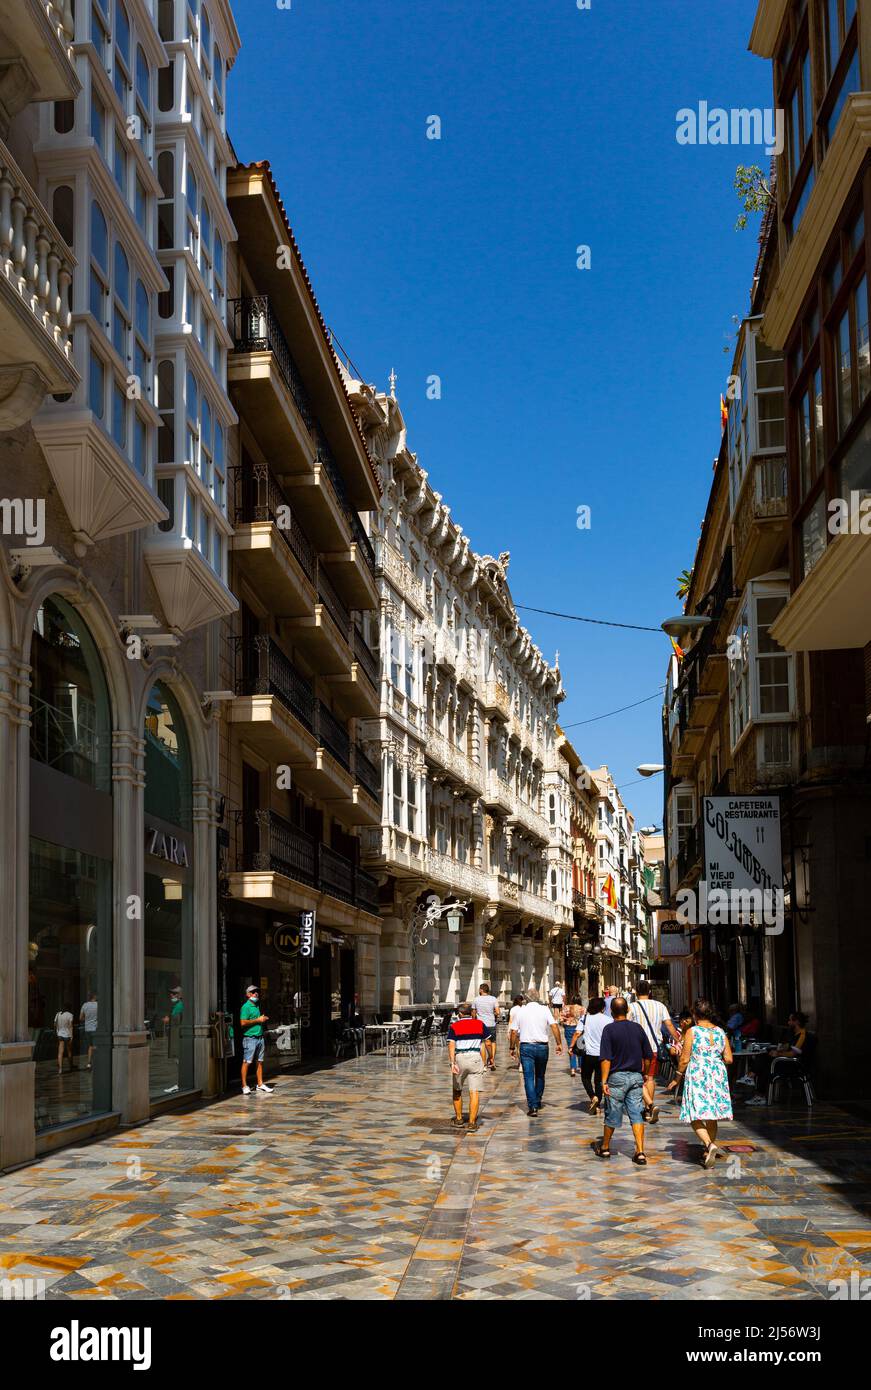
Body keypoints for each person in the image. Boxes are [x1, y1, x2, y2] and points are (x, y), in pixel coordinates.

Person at [590, 996, 653, 1165]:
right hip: (635, 1076)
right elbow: (648, 1056)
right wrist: (645, 1073)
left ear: (611, 1012)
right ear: (627, 1010)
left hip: (616, 1077)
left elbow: (606, 1059)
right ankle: (640, 1152)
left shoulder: (609, 1030)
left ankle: (605, 1147)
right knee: (637, 1113)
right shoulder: (638, 1028)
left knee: (612, 1112)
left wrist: (603, 1082)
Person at [675, 999, 733, 1165]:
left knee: (695, 1113)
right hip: (717, 1073)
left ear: (694, 1015)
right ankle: (708, 1151)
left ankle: (709, 1144)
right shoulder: (721, 1032)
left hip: (698, 1073)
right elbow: (729, 1058)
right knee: (711, 1115)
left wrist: (677, 1076)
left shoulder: (692, 1031)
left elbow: (684, 1058)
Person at [629, 981, 679, 1124]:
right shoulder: (660, 1006)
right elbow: (669, 1025)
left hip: (636, 1049)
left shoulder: (632, 1007)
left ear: (636, 992)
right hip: (654, 1048)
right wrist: (678, 1040)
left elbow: (626, 1024)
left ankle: (649, 1105)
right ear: (649, 991)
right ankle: (648, 1108)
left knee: (637, 1079)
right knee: (650, 1079)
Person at [509, 987, 562, 1117]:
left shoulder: (521, 1011)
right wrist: (559, 1043)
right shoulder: (544, 1010)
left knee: (528, 1077)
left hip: (526, 1046)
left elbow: (514, 1031)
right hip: (542, 1046)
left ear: (526, 998)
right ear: (538, 998)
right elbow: (554, 1026)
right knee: (540, 1075)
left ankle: (532, 1106)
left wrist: (511, 1048)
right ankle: (537, 1100)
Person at [745, 1011, 808, 1106]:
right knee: (764, 1057)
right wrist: (779, 1049)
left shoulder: (802, 1035)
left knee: (765, 1064)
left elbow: (793, 1053)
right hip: (784, 1061)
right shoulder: (794, 1033)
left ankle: (751, 1078)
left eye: (790, 1020)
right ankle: (756, 1088)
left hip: (793, 1065)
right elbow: (788, 1046)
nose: (788, 1023)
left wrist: (778, 1054)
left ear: (797, 1022)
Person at [447, 1002, 488, 1131]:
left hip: (460, 1058)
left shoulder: (454, 1026)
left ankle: (459, 1119)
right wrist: (490, 1057)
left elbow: (451, 1044)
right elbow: (486, 1041)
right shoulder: (480, 1024)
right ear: (471, 1013)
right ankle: (471, 1122)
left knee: (457, 1089)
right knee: (474, 1092)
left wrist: (452, 1062)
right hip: (475, 1057)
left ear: (460, 1014)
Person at [575, 996, 609, 1115]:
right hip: (603, 1055)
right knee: (599, 1081)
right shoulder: (608, 1020)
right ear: (602, 1008)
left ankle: (592, 1096)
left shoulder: (585, 1018)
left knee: (585, 1077)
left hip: (588, 1054)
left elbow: (577, 1033)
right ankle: (598, 1104)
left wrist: (571, 1047)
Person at [240, 984, 273, 1095]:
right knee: (247, 1062)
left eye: (257, 991)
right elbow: (243, 1022)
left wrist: (262, 1019)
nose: (256, 993)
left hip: (259, 1037)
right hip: (250, 1038)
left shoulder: (257, 1005)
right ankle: (244, 1085)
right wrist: (258, 1020)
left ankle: (260, 1084)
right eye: (253, 992)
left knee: (260, 1062)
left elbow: (257, 1020)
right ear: (248, 994)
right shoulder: (246, 1007)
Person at [664, 1009, 694, 1097]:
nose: (684, 1022)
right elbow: (672, 1051)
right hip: (683, 1064)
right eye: (683, 1020)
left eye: (687, 1020)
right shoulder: (677, 1034)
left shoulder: (693, 1033)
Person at [473, 982, 500, 1071]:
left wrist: (474, 1020)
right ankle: (492, 1060)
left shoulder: (476, 999)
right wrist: (492, 1013)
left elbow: (473, 1013)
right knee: (493, 1042)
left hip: (481, 1024)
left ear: (481, 990)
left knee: (483, 1044)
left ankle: (484, 1064)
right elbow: (498, 1012)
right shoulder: (493, 999)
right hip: (491, 1023)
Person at [561, 995, 585, 1077]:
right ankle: (581, 1068)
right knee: (580, 1048)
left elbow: (561, 1018)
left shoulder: (566, 1007)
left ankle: (572, 1069)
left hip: (568, 1028)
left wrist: (566, 1021)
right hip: (579, 1029)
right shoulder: (582, 1008)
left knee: (570, 1049)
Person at [79, 992, 98, 1071]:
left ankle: (89, 1063)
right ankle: (97, 1063)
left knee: (90, 1046)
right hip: (95, 1029)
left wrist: (87, 1019)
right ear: (94, 997)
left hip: (87, 1029)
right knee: (96, 1046)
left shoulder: (84, 1005)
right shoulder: (98, 1005)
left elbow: (80, 1018)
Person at [54, 1006, 74, 1075]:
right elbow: (70, 1026)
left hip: (60, 1034)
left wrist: (57, 1031)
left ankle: (60, 1069)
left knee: (60, 1052)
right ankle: (70, 1066)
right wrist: (72, 1036)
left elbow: (55, 1024)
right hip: (67, 1035)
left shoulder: (58, 1014)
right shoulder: (70, 1015)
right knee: (69, 1051)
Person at [507, 994, 525, 1068]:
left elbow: (510, 1021)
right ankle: (523, 1062)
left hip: (516, 1030)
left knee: (518, 1047)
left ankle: (520, 1063)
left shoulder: (513, 1009)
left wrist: (508, 1031)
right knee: (523, 1047)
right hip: (524, 1030)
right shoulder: (525, 1008)